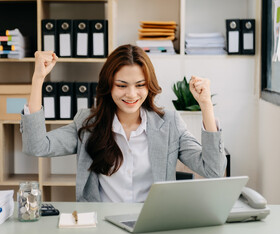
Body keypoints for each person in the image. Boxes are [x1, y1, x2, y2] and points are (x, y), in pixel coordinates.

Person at [21, 44, 227, 202]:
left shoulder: (170, 124)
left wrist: (206, 105)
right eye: (121, 85)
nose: (131, 94)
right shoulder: (88, 123)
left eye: (140, 85)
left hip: (153, 226)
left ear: (149, 87)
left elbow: (214, 170)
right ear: (108, 86)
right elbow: (36, 145)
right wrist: (38, 78)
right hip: (102, 227)